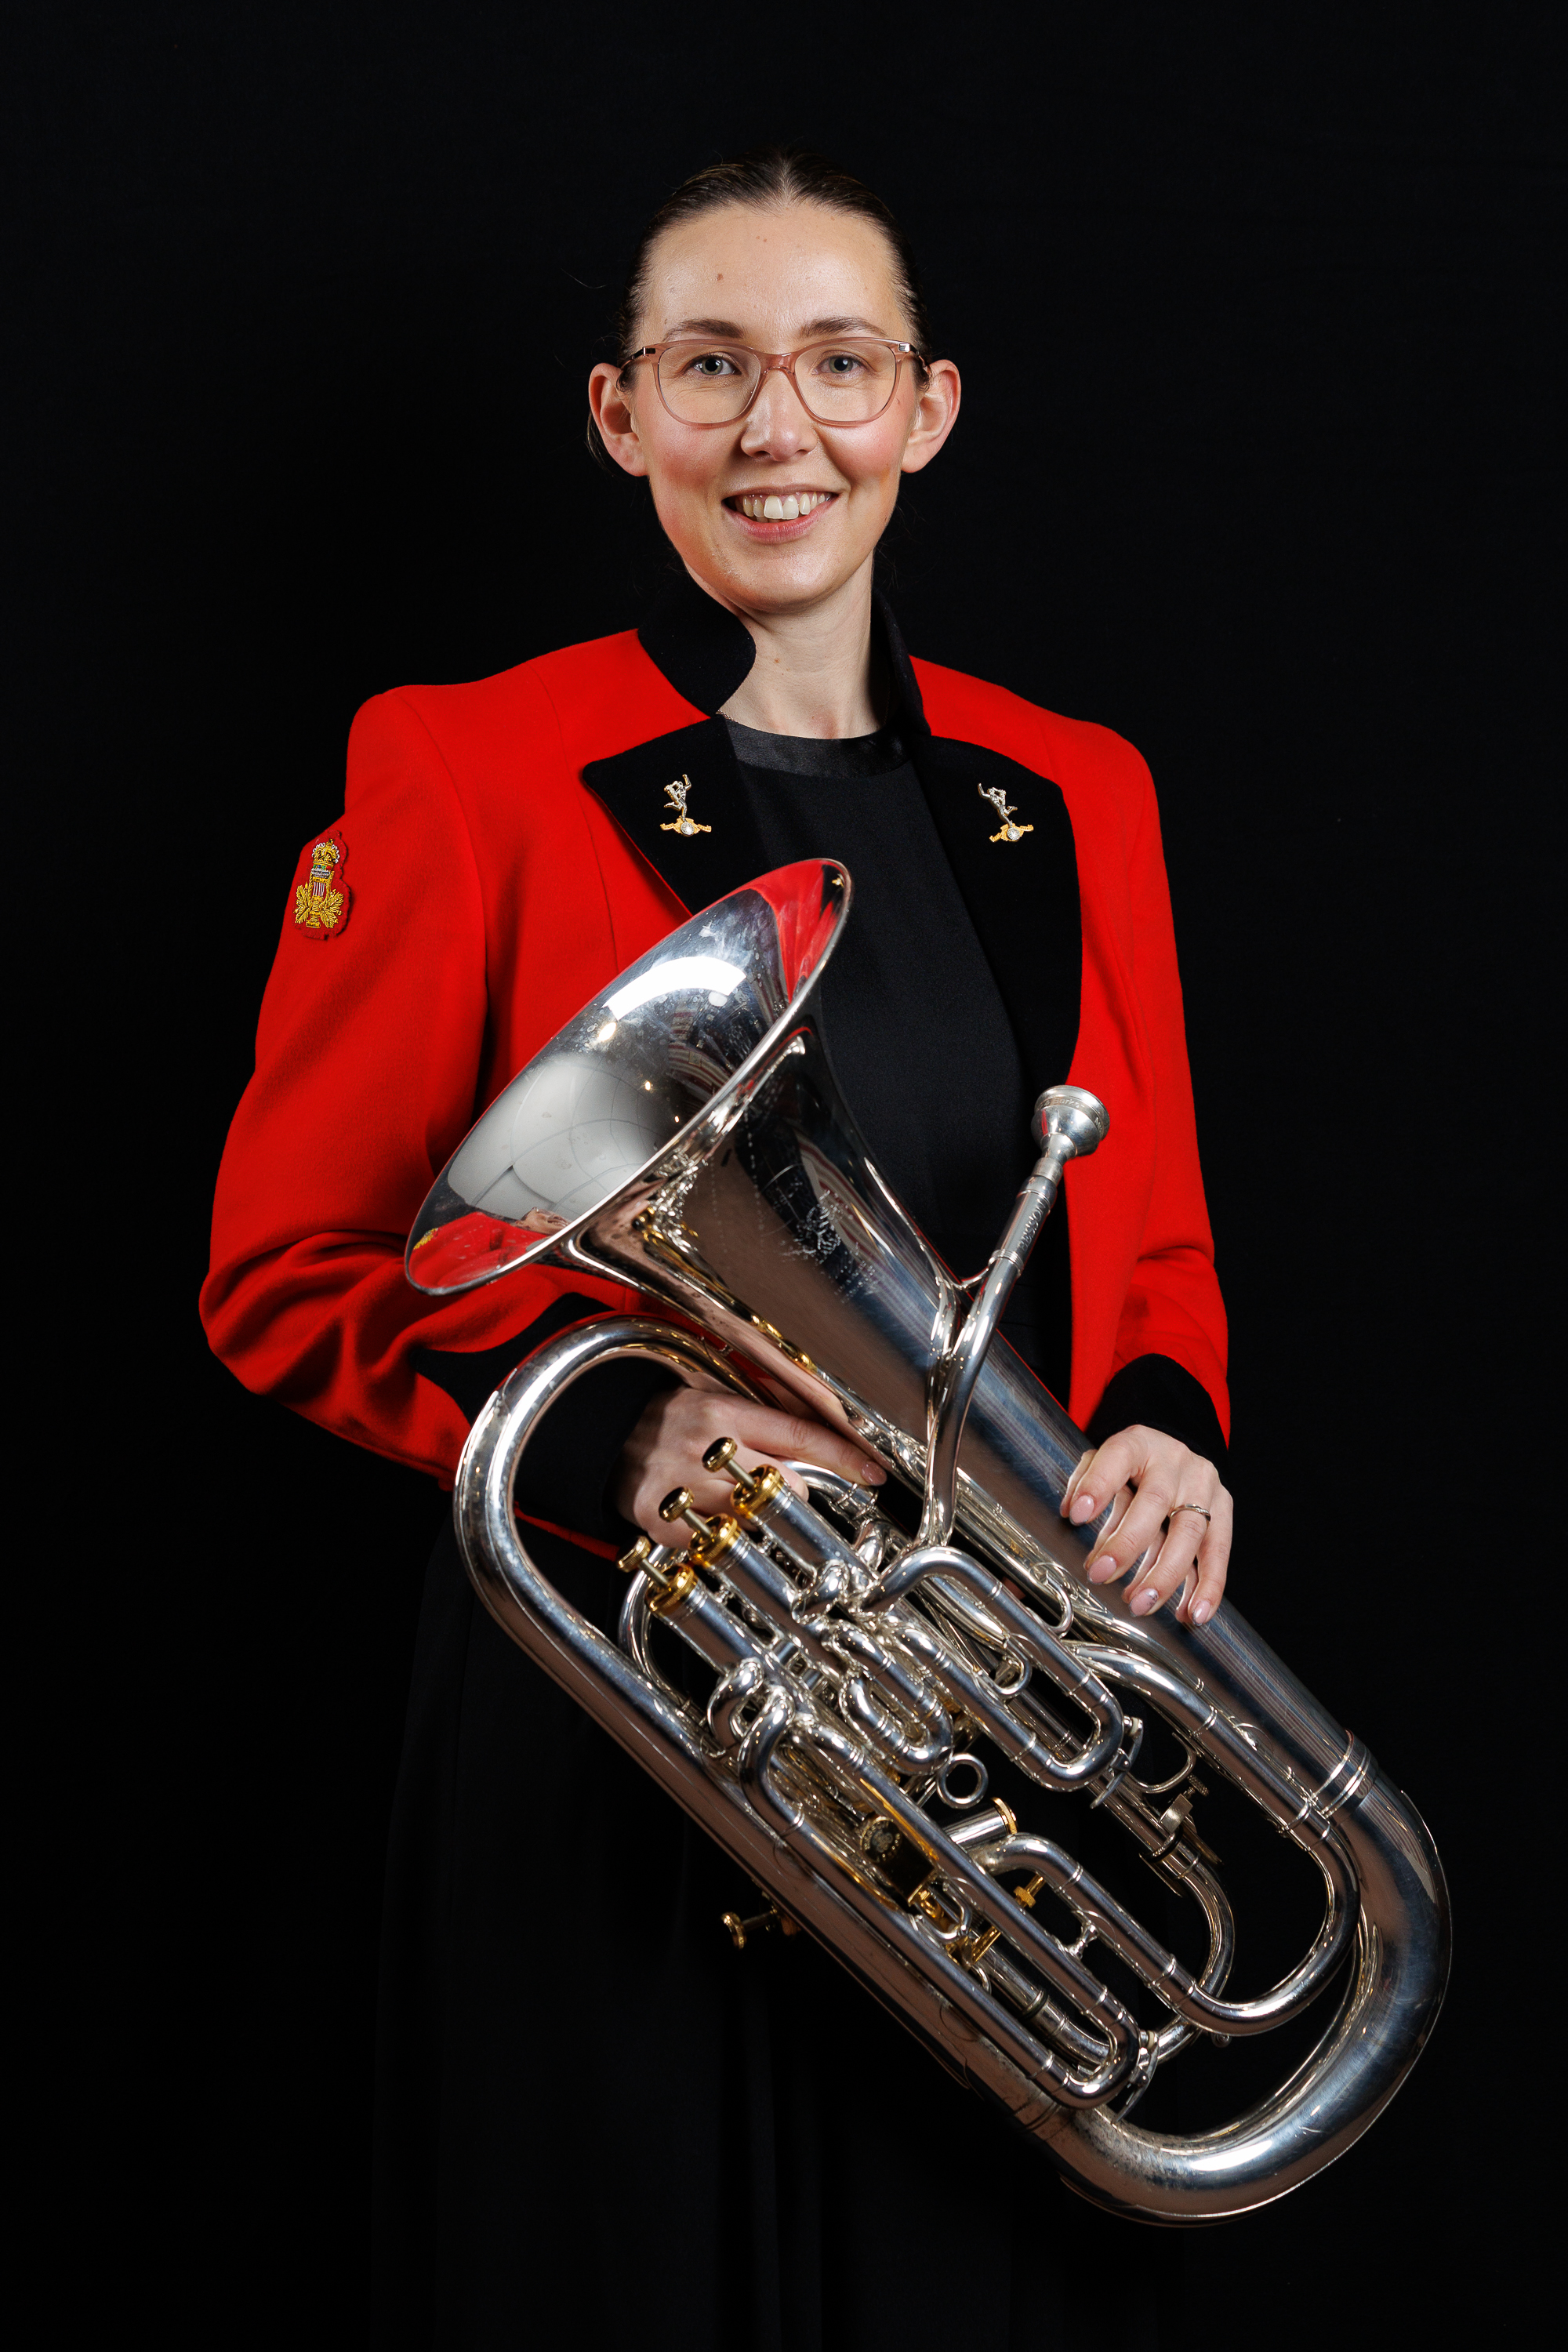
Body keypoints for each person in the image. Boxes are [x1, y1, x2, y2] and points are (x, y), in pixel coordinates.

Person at [203, 146, 1231, 2350]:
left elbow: (1144, 1243)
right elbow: (290, 1268)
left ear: (927, 408)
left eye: (838, 365)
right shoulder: (467, 768)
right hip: (622, 1748)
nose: (781, 432)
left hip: (999, 1748)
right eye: (713, 368)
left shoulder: (1075, 793)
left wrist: (1159, 1427)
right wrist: (628, 1435)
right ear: (621, 414)